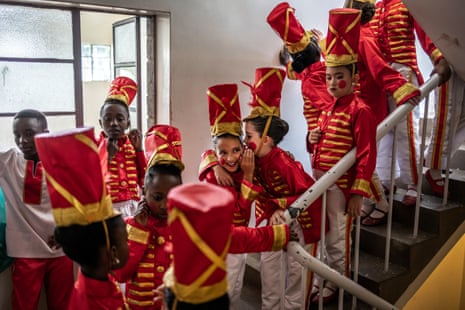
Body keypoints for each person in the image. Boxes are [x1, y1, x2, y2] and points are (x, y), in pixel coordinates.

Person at [307, 8, 377, 304]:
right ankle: (325, 277)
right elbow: (320, 145)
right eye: (329, 77)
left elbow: (366, 154)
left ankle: (339, 284)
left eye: (339, 77)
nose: (333, 83)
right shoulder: (327, 109)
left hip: (341, 186)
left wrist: (358, 193)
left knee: (337, 238)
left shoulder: (360, 111)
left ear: (354, 76)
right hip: (321, 182)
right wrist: (310, 140)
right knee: (323, 235)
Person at [241, 66, 323, 310]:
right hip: (272, 217)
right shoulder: (252, 159)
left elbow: (309, 194)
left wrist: (281, 208)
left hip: (300, 219)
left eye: (249, 137)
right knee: (269, 264)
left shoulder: (282, 162)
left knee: (297, 268)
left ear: (266, 139)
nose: (245, 142)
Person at [34, 126, 129, 310]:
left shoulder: (98, 282)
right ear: (113, 253)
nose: (129, 244)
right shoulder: (94, 303)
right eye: (126, 239)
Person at [366, 0, 451, 203]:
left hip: (404, 72)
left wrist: (438, 59)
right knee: (384, 131)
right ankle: (386, 179)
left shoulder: (407, 4)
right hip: (380, 77)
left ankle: (414, 184)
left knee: (406, 130)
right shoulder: (375, 7)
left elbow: (425, 33)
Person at [199, 83, 265, 307]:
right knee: (226, 291)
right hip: (223, 243)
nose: (230, 158)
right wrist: (247, 176)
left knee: (235, 285)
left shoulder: (234, 166)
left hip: (239, 239)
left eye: (236, 150)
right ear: (215, 153)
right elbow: (237, 213)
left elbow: (207, 152)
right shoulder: (215, 177)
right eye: (223, 153)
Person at [0, 109, 74, 310]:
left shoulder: (64, 164)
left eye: (29, 133)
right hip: (25, 251)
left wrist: (67, 232)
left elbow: (80, 204)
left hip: (61, 250)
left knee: (63, 305)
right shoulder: (8, 161)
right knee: (24, 305)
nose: (22, 140)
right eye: (17, 134)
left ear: (45, 133)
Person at [114, 124, 184, 310]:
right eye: (157, 197)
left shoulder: (185, 225)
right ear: (144, 192)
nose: (164, 205)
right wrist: (139, 231)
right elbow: (121, 274)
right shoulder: (130, 225)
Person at [98, 76, 147, 217]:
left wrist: (139, 151)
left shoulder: (132, 146)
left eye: (120, 119)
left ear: (128, 123)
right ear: (101, 123)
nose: (114, 123)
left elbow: (144, 178)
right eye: (108, 119)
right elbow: (91, 183)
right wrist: (107, 157)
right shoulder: (96, 146)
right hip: (107, 210)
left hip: (133, 208)